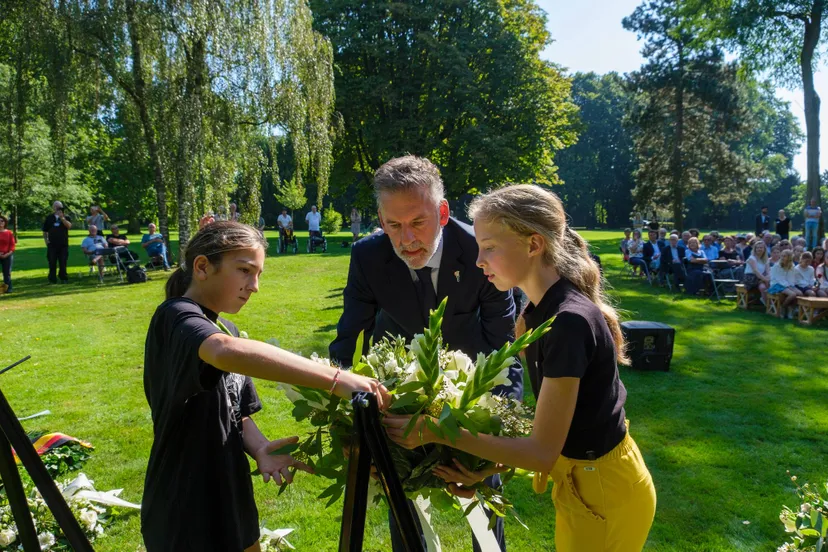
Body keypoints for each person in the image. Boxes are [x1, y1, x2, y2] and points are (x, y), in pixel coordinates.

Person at [385, 184, 656, 552]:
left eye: (490, 247)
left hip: (607, 492)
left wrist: (436, 433)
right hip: (582, 485)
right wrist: (490, 468)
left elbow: (542, 451)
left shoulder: (568, 323)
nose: (479, 260)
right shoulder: (533, 317)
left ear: (533, 244)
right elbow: (551, 432)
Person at [142, 221, 387, 552]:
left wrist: (259, 448)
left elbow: (236, 412)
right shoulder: (176, 317)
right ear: (202, 267)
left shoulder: (224, 327)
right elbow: (223, 352)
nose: (254, 286)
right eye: (244, 270)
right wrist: (335, 379)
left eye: (258, 274)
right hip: (184, 499)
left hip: (230, 489)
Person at [329, 155, 518, 552]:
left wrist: (495, 441)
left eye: (418, 222)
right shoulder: (367, 257)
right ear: (380, 220)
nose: (407, 239)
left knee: (484, 510)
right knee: (404, 504)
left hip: (472, 396)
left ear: (443, 212)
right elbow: (347, 341)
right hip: (400, 394)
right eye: (393, 225)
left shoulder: (481, 252)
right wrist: (347, 423)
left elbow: (504, 351)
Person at [42, 200, 72, 284]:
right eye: (55, 207)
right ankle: (52, 279)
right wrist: (46, 241)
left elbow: (69, 226)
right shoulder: (49, 218)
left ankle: (63, 278)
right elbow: (45, 231)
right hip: (52, 244)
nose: (57, 209)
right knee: (52, 261)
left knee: (63, 261)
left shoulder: (66, 217)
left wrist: (62, 218)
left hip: (63, 244)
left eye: (59, 207)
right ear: (53, 208)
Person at [769, 250, 802, 318]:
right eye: (782, 256)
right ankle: (783, 307)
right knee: (792, 294)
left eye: (784, 256)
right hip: (777, 284)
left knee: (799, 293)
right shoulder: (777, 265)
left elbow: (791, 277)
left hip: (787, 284)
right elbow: (779, 278)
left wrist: (791, 286)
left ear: (789, 257)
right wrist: (788, 286)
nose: (782, 257)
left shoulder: (792, 265)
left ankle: (791, 308)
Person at [0, 215, 15, 293]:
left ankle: (8, 288)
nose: (0, 222)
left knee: (7, 273)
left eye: (2, 221)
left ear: (5, 222)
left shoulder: (9, 233)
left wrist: (7, 254)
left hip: (7, 255)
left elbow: (12, 246)